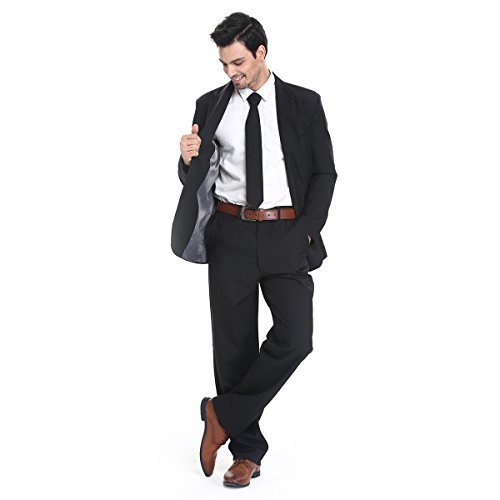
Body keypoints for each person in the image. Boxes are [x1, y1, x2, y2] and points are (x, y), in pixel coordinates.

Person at [171, 12, 337, 488]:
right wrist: (185, 160)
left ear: (261, 53)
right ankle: (246, 453)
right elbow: (196, 179)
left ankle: (220, 414)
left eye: (239, 63)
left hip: (286, 233)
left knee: (296, 338)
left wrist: (306, 231)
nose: (231, 73)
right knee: (233, 347)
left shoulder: (304, 103)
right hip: (230, 234)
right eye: (224, 64)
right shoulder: (210, 104)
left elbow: (325, 172)